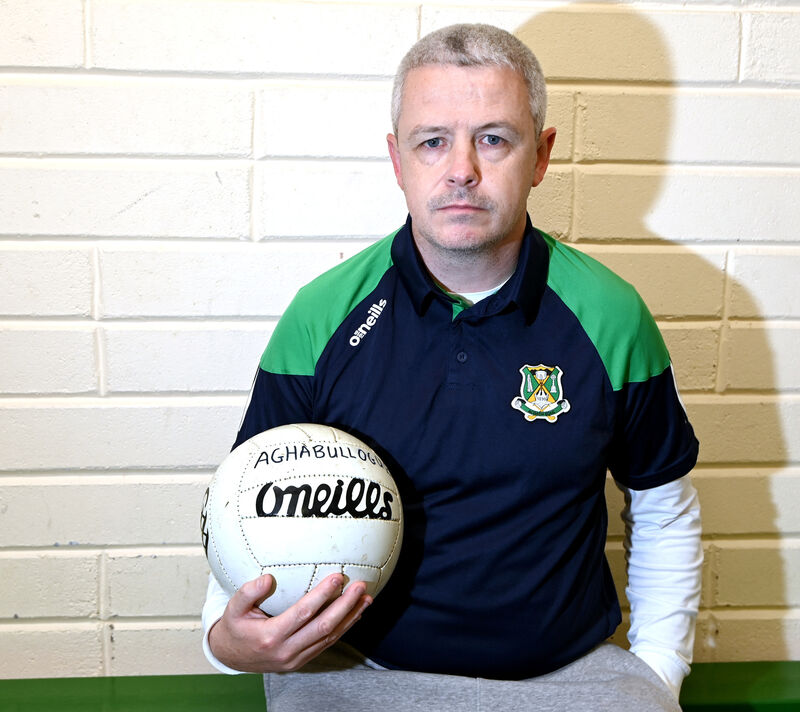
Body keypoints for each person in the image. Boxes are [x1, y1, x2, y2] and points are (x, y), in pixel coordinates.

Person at [202, 23, 702, 712]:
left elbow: (663, 504)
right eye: (432, 140)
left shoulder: (610, 315)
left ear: (542, 155)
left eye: (493, 138)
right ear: (397, 158)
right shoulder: (322, 316)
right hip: (355, 672)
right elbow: (246, 508)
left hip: (570, 678)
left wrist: (658, 668)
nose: (461, 167)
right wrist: (223, 641)